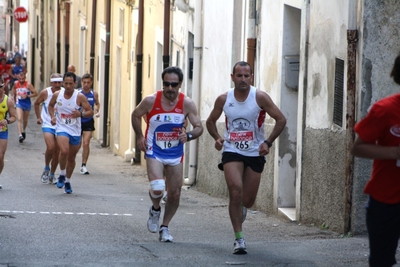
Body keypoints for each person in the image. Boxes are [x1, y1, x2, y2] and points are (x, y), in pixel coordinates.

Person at [206, 61, 286, 254]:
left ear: (251, 77)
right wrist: (218, 138)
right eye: (239, 75)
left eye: (246, 76)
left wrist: (267, 142)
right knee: (235, 190)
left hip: (254, 152)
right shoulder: (224, 99)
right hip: (232, 149)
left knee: (248, 200)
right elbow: (210, 121)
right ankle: (239, 239)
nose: (243, 79)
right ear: (232, 77)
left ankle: (242, 206)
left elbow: (281, 119)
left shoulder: (259, 97)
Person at [131, 66, 203, 242]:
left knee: (175, 194)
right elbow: (135, 115)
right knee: (157, 187)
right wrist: (140, 136)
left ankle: (165, 227)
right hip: (154, 149)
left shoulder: (187, 103)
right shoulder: (150, 101)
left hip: (175, 153)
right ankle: (155, 209)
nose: (170, 88)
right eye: (166, 84)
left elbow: (200, 127)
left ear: (180, 84)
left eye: (174, 85)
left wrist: (189, 135)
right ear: (162, 84)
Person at [351, 54, 400, 267]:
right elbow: (358, 147)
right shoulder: (385, 109)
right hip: (387, 198)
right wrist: (393, 153)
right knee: (382, 260)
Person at [48, 72, 93, 194]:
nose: (68, 86)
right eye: (66, 83)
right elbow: (50, 106)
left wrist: (81, 114)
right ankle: (62, 174)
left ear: (75, 83)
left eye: (70, 83)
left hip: (75, 130)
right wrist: (52, 117)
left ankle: (67, 180)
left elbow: (90, 111)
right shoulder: (58, 94)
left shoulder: (80, 97)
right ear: (63, 83)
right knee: (64, 151)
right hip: (62, 127)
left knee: (72, 158)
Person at [34, 73, 63, 184]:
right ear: (51, 82)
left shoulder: (64, 92)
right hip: (47, 123)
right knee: (51, 147)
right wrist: (38, 117)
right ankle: (46, 168)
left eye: (59, 82)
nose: (57, 84)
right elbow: (36, 103)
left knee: (57, 151)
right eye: (55, 82)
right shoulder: (46, 92)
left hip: (60, 125)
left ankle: (52, 174)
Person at [78, 73, 100, 175]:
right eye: (84, 82)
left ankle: (83, 165)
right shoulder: (77, 93)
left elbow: (97, 103)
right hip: (77, 121)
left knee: (86, 143)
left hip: (88, 121)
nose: (86, 84)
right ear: (82, 82)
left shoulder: (94, 94)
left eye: (88, 82)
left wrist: (97, 109)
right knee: (77, 145)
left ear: (91, 83)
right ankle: (70, 161)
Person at [11, 72, 38, 143]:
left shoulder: (28, 84)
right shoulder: (16, 83)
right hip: (19, 103)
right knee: (19, 118)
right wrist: (13, 101)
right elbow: (13, 91)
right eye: (20, 79)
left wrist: (28, 96)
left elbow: (35, 93)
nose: (21, 80)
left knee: (25, 119)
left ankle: (23, 130)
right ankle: (20, 135)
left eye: (23, 79)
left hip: (27, 103)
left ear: (25, 78)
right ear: (18, 78)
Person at [0, 77, 17, 189]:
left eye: (0, 87)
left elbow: (14, 117)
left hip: (2, 131)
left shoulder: (8, 101)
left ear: (3, 87)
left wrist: (7, 121)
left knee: (0, 156)